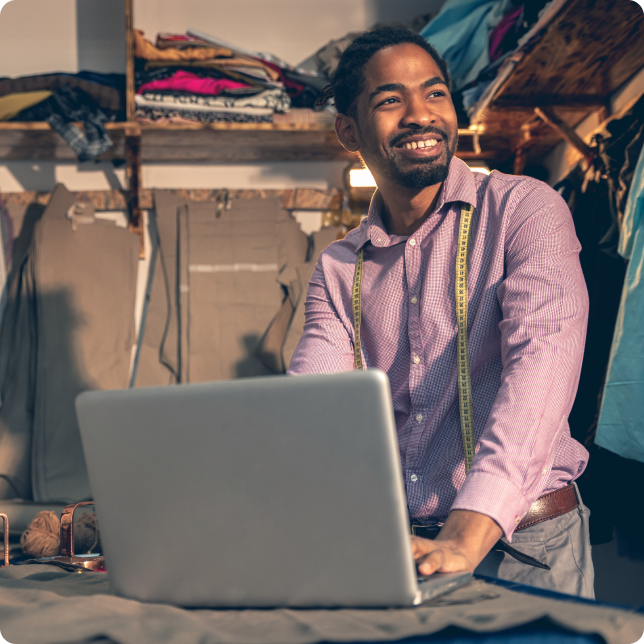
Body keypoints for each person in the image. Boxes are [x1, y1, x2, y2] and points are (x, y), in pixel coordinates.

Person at [288, 27, 594, 597]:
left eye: (435, 94)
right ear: (349, 131)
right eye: (389, 100)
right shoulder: (339, 268)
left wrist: (467, 531)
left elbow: (541, 372)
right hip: (402, 550)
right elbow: (312, 413)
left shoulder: (525, 211)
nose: (419, 115)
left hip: (528, 547)